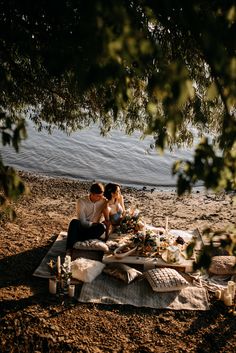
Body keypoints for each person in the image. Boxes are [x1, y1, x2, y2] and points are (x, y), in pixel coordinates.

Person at [66, 182, 110, 253]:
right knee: (74, 222)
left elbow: (113, 204)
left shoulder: (103, 201)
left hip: (93, 231)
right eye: (98, 196)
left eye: (101, 195)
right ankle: (69, 249)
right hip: (82, 228)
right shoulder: (81, 201)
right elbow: (83, 222)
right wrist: (94, 224)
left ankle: (76, 239)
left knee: (102, 227)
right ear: (91, 194)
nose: (100, 198)